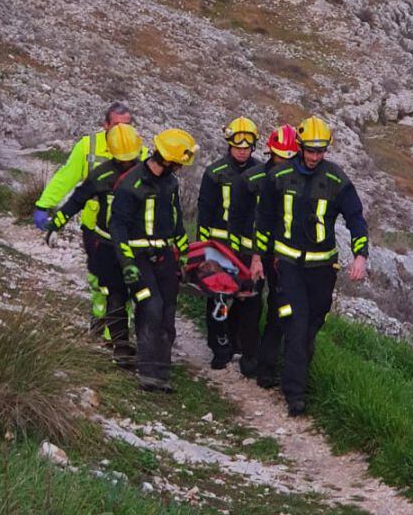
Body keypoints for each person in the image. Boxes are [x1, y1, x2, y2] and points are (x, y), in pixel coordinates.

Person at [251, 116, 368, 417]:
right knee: (295, 323)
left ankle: (293, 373)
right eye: (310, 150)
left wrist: (360, 255)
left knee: (311, 327)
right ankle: (295, 394)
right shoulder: (279, 177)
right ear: (300, 147)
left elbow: (355, 218)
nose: (315, 157)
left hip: (322, 270)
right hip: (287, 266)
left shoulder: (336, 180)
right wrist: (257, 258)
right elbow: (264, 220)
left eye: (321, 151)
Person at [45, 123, 144, 367]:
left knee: (142, 296)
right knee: (115, 294)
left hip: (138, 245)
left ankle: (148, 349)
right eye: (122, 160)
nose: (127, 165)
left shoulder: (147, 174)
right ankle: (121, 346)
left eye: (130, 160)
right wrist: (56, 222)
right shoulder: (101, 174)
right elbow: (78, 199)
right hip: (108, 245)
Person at [33, 102, 134, 336]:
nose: (122, 131)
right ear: (105, 125)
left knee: (125, 281)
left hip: (128, 228)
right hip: (95, 226)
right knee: (98, 278)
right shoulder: (88, 147)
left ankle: (117, 333)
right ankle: (99, 320)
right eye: (117, 125)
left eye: (127, 125)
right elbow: (66, 177)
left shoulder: (137, 148)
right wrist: (44, 204)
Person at [110, 129, 197, 393]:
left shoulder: (170, 183)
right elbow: (118, 227)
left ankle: (162, 372)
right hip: (138, 258)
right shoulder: (130, 185)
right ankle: (147, 372)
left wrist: (184, 257)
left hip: (164, 257)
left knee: (168, 312)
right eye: (179, 163)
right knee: (151, 308)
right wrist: (127, 264)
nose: (181, 168)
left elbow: (176, 222)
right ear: (169, 159)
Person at [197, 116, 267, 374]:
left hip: (250, 249)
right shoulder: (215, 173)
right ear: (229, 144)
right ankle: (220, 348)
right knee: (219, 297)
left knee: (250, 300)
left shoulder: (262, 173)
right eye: (237, 145)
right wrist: (204, 249)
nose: (242, 150)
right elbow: (204, 211)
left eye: (247, 146)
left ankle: (247, 350)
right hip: (220, 246)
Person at [254, 123, 299, 391]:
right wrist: (254, 255)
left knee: (278, 309)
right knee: (249, 303)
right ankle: (246, 353)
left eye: (289, 157)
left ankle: (267, 367)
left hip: (284, 256)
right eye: (281, 156)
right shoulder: (258, 179)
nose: (285, 162)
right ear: (271, 153)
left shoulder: (297, 181)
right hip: (259, 251)